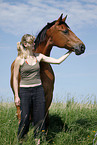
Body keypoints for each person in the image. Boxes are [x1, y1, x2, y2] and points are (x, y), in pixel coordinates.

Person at [13, 34, 72, 143]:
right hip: (25, 91)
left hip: (38, 91)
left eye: (34, 42)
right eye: (32, 43)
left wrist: (69, 52)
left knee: (40, 118)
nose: (34, 44)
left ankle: (38, 141)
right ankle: (21, 140)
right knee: (25, 118)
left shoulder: (39, 56)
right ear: (26, 44)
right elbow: (15, 79)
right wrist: (17, 95)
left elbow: (58, 61)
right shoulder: (19, 60)